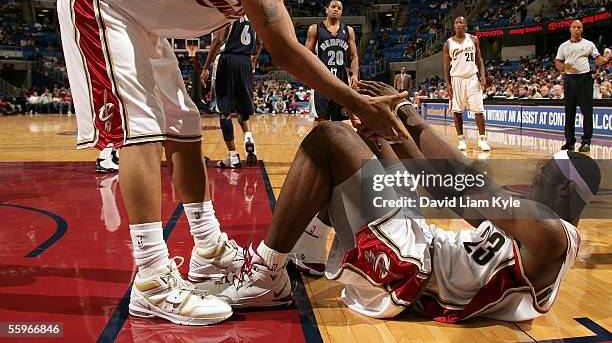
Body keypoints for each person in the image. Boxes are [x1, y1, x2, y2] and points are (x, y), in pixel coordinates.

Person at [57, 0, 409, 326]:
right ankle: (150, 279)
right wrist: (355, 101)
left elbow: (290, 42)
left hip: (142, 23)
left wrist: (351, 98)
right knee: (142, 130)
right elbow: (282, 50)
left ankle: (206, 251)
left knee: (185, 127)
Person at [204, 80, 599, 324]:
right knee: (363, 142)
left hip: (413, 272)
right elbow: (445, 184)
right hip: (421, 247)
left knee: (331, 140)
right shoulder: (543, 228)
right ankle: (307, 250)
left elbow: (456, 186)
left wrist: (406, 114)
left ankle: (266, 274)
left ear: (566, 189)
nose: (535, 175)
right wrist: (389, 128)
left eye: (545, 172)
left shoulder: (549, 233)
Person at [201, 16, 262, 168]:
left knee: (225, 111)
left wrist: (205, 67)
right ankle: (249, 138)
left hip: (227, 59)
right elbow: (260, 42)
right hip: (245, 61)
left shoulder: (229, 11)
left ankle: (233, 155)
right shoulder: (253, 15)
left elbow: (218, 40)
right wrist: (254, 59)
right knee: (242, 109)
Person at [555, 20, 611, 152]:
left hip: (585, 79)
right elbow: (558, 62)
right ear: (570, 29)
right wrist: (564, 66)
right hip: (569, 79)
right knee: (569, 112)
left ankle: (586, 142)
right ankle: (569, 141)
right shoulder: (563, 46)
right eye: (574, 27)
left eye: (579, 27)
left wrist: (604, 60)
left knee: (587, 112)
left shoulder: (589, 44)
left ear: (582, 29)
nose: (576, 29)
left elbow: (597, 59)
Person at [306, 0, 359, 122]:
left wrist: (355, 75)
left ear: (341, 12)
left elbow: (354, 56)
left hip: (342, 77)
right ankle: (317, 141)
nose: (336, 9)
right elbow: (306, 54)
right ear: (327, 9)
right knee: (320, 118)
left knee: (341, 119)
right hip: (322, 76)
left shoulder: (349, 30)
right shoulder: (315, 29)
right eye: (333, 6)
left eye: (339, 8)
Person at [443, 16, 490, 151]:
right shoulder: (448, 43)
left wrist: (482, 76)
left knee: (479, 110)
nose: (458, 24)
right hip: (456, 79)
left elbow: (479, 59)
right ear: (454, 26)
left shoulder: (473, 39)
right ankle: (461, 140)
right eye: (456, 22)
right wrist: (448, 83)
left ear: (465, 25)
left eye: (461, 22)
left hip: (472, 78)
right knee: (457, 111)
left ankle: (482, 140)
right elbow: (446, 66)